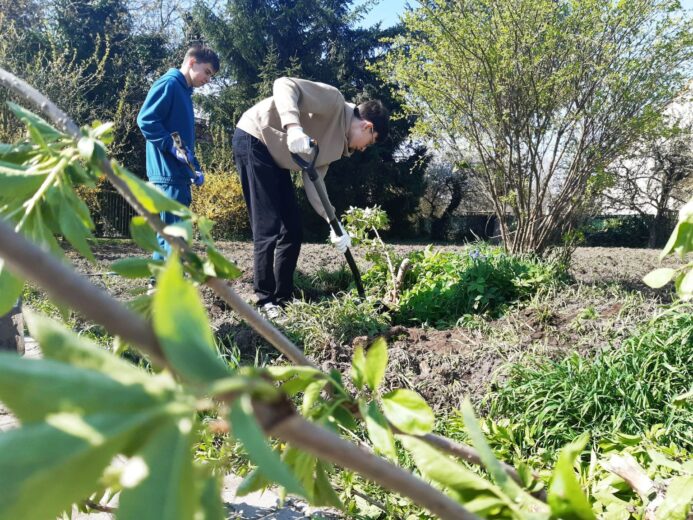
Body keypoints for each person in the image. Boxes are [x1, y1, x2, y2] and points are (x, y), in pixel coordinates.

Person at [232, 77, 390, 317]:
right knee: (268, 226)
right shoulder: (334, 101)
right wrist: (293, 127)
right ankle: (265, 301)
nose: (364, 148)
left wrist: (333, 223)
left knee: (293, 229)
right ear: (367, 127)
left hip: (275, 156)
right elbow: (284, 85)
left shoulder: (336, 147)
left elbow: (314, 182)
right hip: (254, 136)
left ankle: (283, 298)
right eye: (370, 142)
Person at [137, 44, 220, 262]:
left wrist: (195, 168)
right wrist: (169, 145)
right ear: (192, 62)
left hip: (178, 176)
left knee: (176, 234)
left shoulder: (184, 92)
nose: (208, 79)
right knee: (172, 235)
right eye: (208, 72)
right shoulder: (170, 84)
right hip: (167, 175)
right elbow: (145, 120)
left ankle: (162, 285)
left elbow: (181, 141)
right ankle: (160, 286)